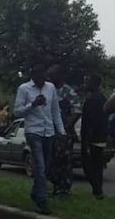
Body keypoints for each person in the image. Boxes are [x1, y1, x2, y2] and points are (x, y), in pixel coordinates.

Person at [13, 64, 65, 215]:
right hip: (33, 131)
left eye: (44, 77)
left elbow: (55, 111)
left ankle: (36, 192)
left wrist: (61, 131)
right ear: (33, 76)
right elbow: (17, 112)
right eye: (39, 77)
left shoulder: (50, 88)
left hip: (48, 131)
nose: (43, 80)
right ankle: (42, 201)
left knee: (46, 168)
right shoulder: (24, 89)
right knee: (40, 167)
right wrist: (33, 104)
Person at [47, 64, 77, 197]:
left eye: (52, 75)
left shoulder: (68, 91)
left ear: (59, 76)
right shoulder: (48, 90)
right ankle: (55, 187)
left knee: (64, 162)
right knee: (51, 161)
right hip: (49, 131)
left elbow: (77, 110)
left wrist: (67, 125)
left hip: (63, 133)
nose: (50, 77)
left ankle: (64, 189)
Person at [80, 73, 108, 200]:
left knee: (89, 166)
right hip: (100, 137)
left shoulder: (93, 99)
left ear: (94, 84)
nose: (85, 84)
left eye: (87, 82)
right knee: (97, 166)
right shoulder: (102, 98)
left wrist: (87, 140)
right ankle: (98, 192)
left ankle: (97, 191)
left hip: (92, 138)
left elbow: (91, 121)